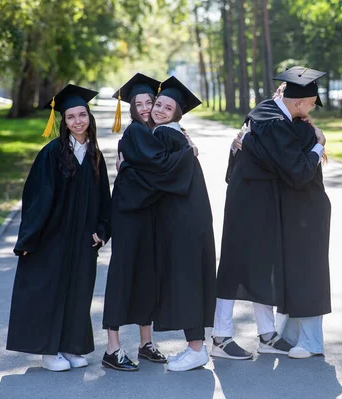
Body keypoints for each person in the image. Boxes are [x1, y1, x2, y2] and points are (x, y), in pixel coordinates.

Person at [214, 66, 329, 360]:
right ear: (299, 103)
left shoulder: (262, 112)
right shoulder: (277, 124)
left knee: (262, 267)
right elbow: (299, 172)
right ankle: (220, 337)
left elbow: (243, 155)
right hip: (252, 203)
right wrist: (318, 145)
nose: (313, 108)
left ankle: (267, 335)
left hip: (256, 199)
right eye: (312, 103)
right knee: (234, 266)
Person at [6, 84, 111, 372]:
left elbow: (105, 199)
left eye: (82, 115)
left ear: (89, 117)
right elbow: (36, 200)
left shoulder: (94, 155)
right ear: (62, 122)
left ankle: (71, 346)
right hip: (53, 237)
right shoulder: (51, 153)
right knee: (51, 291)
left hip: (83, 239)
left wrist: (102, 231)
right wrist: (29, 239)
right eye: (71, 117)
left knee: (78, 292)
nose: (78, 121)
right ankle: (49, 352)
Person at [102, 73, 195, 371]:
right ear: (130, 108)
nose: (145, 108)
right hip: (131, 217)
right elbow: (160, 171)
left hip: (150, 214)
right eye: (138, 103)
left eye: (149, 102)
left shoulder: (158, 133)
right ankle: (112, 348)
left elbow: (154, 172)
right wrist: (186, 154)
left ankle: (146, 342)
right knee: (123, 277)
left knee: (148, 277)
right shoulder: (135, 134)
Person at [137, 76, 216, 372]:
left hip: (183, 221)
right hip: (187, 218)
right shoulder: (177, 135)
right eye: (158, 104)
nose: (159, 110)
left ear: (176, 113)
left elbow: (157, 175)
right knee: (189, 279)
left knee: (186, 281)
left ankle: (197, 349)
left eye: (167, 108)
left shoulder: (167, 136)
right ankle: (196, 345)